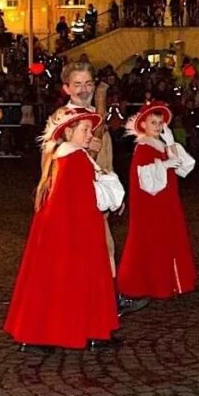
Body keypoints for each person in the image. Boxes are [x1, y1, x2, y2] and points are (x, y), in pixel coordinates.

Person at [4, 107, 125, 350]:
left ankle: (39, 332)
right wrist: (106, 183)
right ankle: (90, 329)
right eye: (85, 129)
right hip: (78, 232)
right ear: (68, 131)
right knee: (83, 278)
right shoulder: (75, 159)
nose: (90, 134)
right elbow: (93, 201)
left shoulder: (60, 158)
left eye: (90, 129)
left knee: (48, 279)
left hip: (57, 233)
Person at [49, 61, 149, 316]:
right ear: (66, 88)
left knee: (104, 249)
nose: (84, 90)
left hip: (99, 192)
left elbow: (103, 155)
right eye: (78, 84)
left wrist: (113, 192)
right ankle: (102, 304)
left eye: (88, 84)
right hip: (80, 198)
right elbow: (77, 157)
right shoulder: (64, 119)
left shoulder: (93, 113)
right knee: (97, 250)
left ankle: (101, 300)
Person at [117, 101, 198, 300]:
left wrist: (170, 145)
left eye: (160, 122)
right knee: (152, 241)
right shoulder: (143, 147)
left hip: (166, 201)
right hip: (151, 206)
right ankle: (149, 283)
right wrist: (163, 165)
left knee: (167, 238)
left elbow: (182, 167)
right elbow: (146, 181)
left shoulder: (159, 144)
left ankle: (169, 281)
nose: (158, 126)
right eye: (153, 122)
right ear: (143, 124)